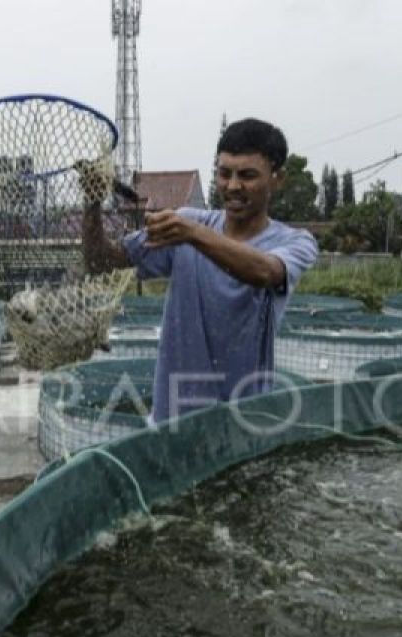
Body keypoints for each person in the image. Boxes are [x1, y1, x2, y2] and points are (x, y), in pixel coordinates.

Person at [83, 118, 318, 422]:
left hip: (246, 425)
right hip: (171, 421)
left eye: (247, 175)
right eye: (224, 173)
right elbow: (101, 262)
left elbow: (265, 272)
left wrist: (192, 233)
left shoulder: (295, 242)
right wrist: (91, 202)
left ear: (277, 179)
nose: (233, 186)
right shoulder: (187, 226)